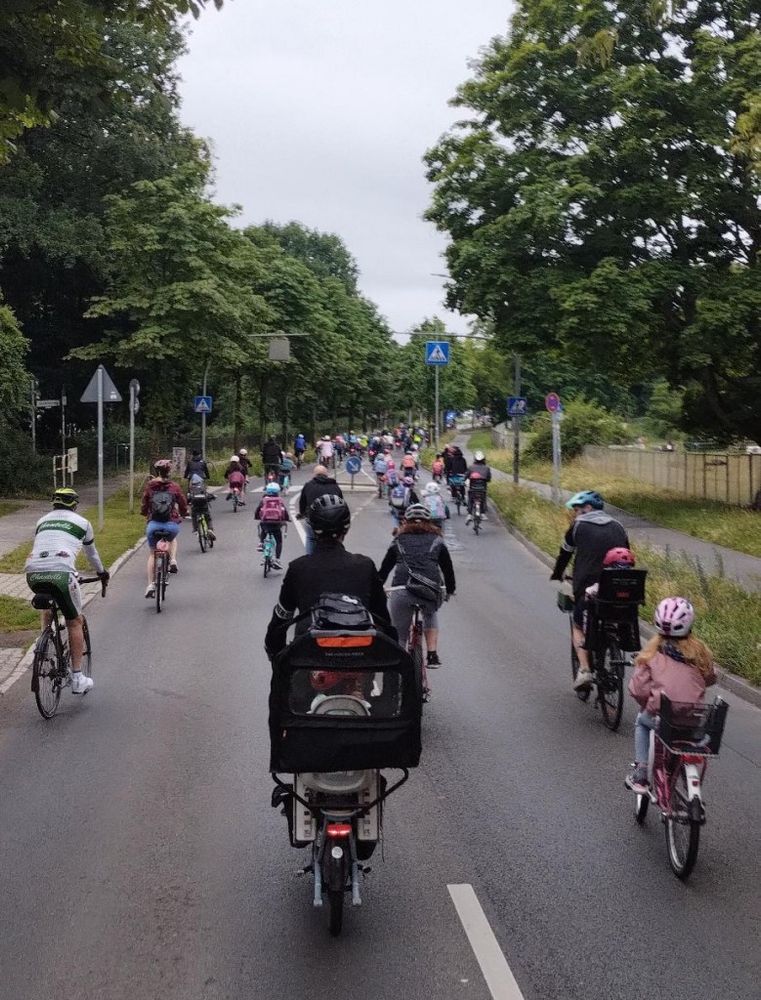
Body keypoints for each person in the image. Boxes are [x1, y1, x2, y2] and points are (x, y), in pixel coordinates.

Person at [265, 494, 394, 656]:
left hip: (310, 658)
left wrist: (275, 653)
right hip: (359, 658)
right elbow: (383, 618)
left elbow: (281, 619)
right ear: (346, 528)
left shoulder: (298, 568)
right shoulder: (365, 566)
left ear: (312, 527)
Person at [625, 598, 717, 793]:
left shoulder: (652, 655)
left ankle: (641, 773)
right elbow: (710, 678)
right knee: (682, 736)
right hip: (693, 722)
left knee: (641, 722)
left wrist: (647, 703)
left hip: (662, 720)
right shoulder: (700, 654)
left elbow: (638, 689)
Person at [24, 487, 109, 694]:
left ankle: (45, 640)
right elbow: (92, 555)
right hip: (62, 575)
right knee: (74, 621)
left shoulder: (42, 521)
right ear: (75, 504)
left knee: (49, 599)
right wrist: (102, 573)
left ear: (54, 503)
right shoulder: (83, 523)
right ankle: (78, 678)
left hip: (33, 575)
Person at [550, 490, 629, 690]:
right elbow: (627, 554)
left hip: (587, 588)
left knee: (578, 625)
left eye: (577, 510)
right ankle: (616, 647)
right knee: (614, 617)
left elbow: (565, 554)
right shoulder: (618, 526)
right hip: (618, 589)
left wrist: (558, 573)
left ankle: (584, 670)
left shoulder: (577, 527)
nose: (575, 514)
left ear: (588, 508)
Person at [378, 503, 456, 668]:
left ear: (405, 521)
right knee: (430, 613)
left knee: (400, 635)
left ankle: (399, 669)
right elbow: (448, 569)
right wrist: (450, 590)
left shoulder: (398, 540)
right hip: (429, 590)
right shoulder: (437, 541)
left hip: (401, 591)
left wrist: (378, 587)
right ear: (430, 522)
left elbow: (385, 569)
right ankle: (432, 654)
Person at [141, 458, 188, 598]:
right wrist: (184, 513)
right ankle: (173, 559)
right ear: (169, 471)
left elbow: (144, 504)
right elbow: (183, 503)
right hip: (171, 524)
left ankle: (150, 584)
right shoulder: (174, 487)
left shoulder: (150, 486)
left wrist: (144, 513)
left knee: (152, 553)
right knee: (172, 539)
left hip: (153, 525)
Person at [298, 464, 344, 554]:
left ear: (314, 475)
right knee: (334, 539)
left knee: (310, 538)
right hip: (332, 520)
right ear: (327, 475)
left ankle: (310, 560)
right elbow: (341, 503)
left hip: (313, 519)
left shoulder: (308, 485)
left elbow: (302, 502)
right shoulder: (334, 486)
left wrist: (302, 513)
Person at [255, 482, 290, 568]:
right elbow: (284, 511)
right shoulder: (279, 500)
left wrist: (257, 517)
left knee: (263, 528)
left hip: (265, 522)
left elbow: (258, 510)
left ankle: (260, 543)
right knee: (279, 541)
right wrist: (287, 519)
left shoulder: (264, 500)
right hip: (276, 524)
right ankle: (277, 559)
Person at [187, 474, 216, 541]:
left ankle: (195, 529)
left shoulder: (191, 489)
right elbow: (209, 496)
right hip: (204, 507)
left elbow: (188, 499)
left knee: (194, 517)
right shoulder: (202, 488)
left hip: (195, 508)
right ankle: (210, 529)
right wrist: (213, 497)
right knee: (208, 518)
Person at [465, 450, 492, 523]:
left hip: (473, 489)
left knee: (470, 500)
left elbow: (466, 476)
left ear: (475, 459)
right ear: (483, 459)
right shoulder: (487, 468)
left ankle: (469, 514)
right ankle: (483, 513)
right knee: (483, 500)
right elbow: (489, 479)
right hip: (482, 489)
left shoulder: (471, 467)